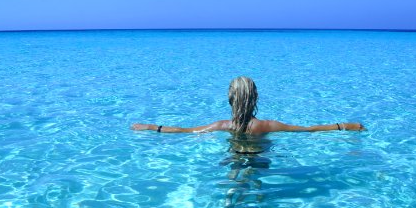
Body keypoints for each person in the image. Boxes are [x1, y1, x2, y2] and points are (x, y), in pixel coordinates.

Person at [131, 76, 366, 135]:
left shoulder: (224, 126)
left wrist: (152, 127)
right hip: (260, 158)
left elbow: (185, 132)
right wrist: (344, 125)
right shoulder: (269, 126)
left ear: (230, 99)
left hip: (234, 154)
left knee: (235, 170)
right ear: (255, 98)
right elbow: (307, 130)